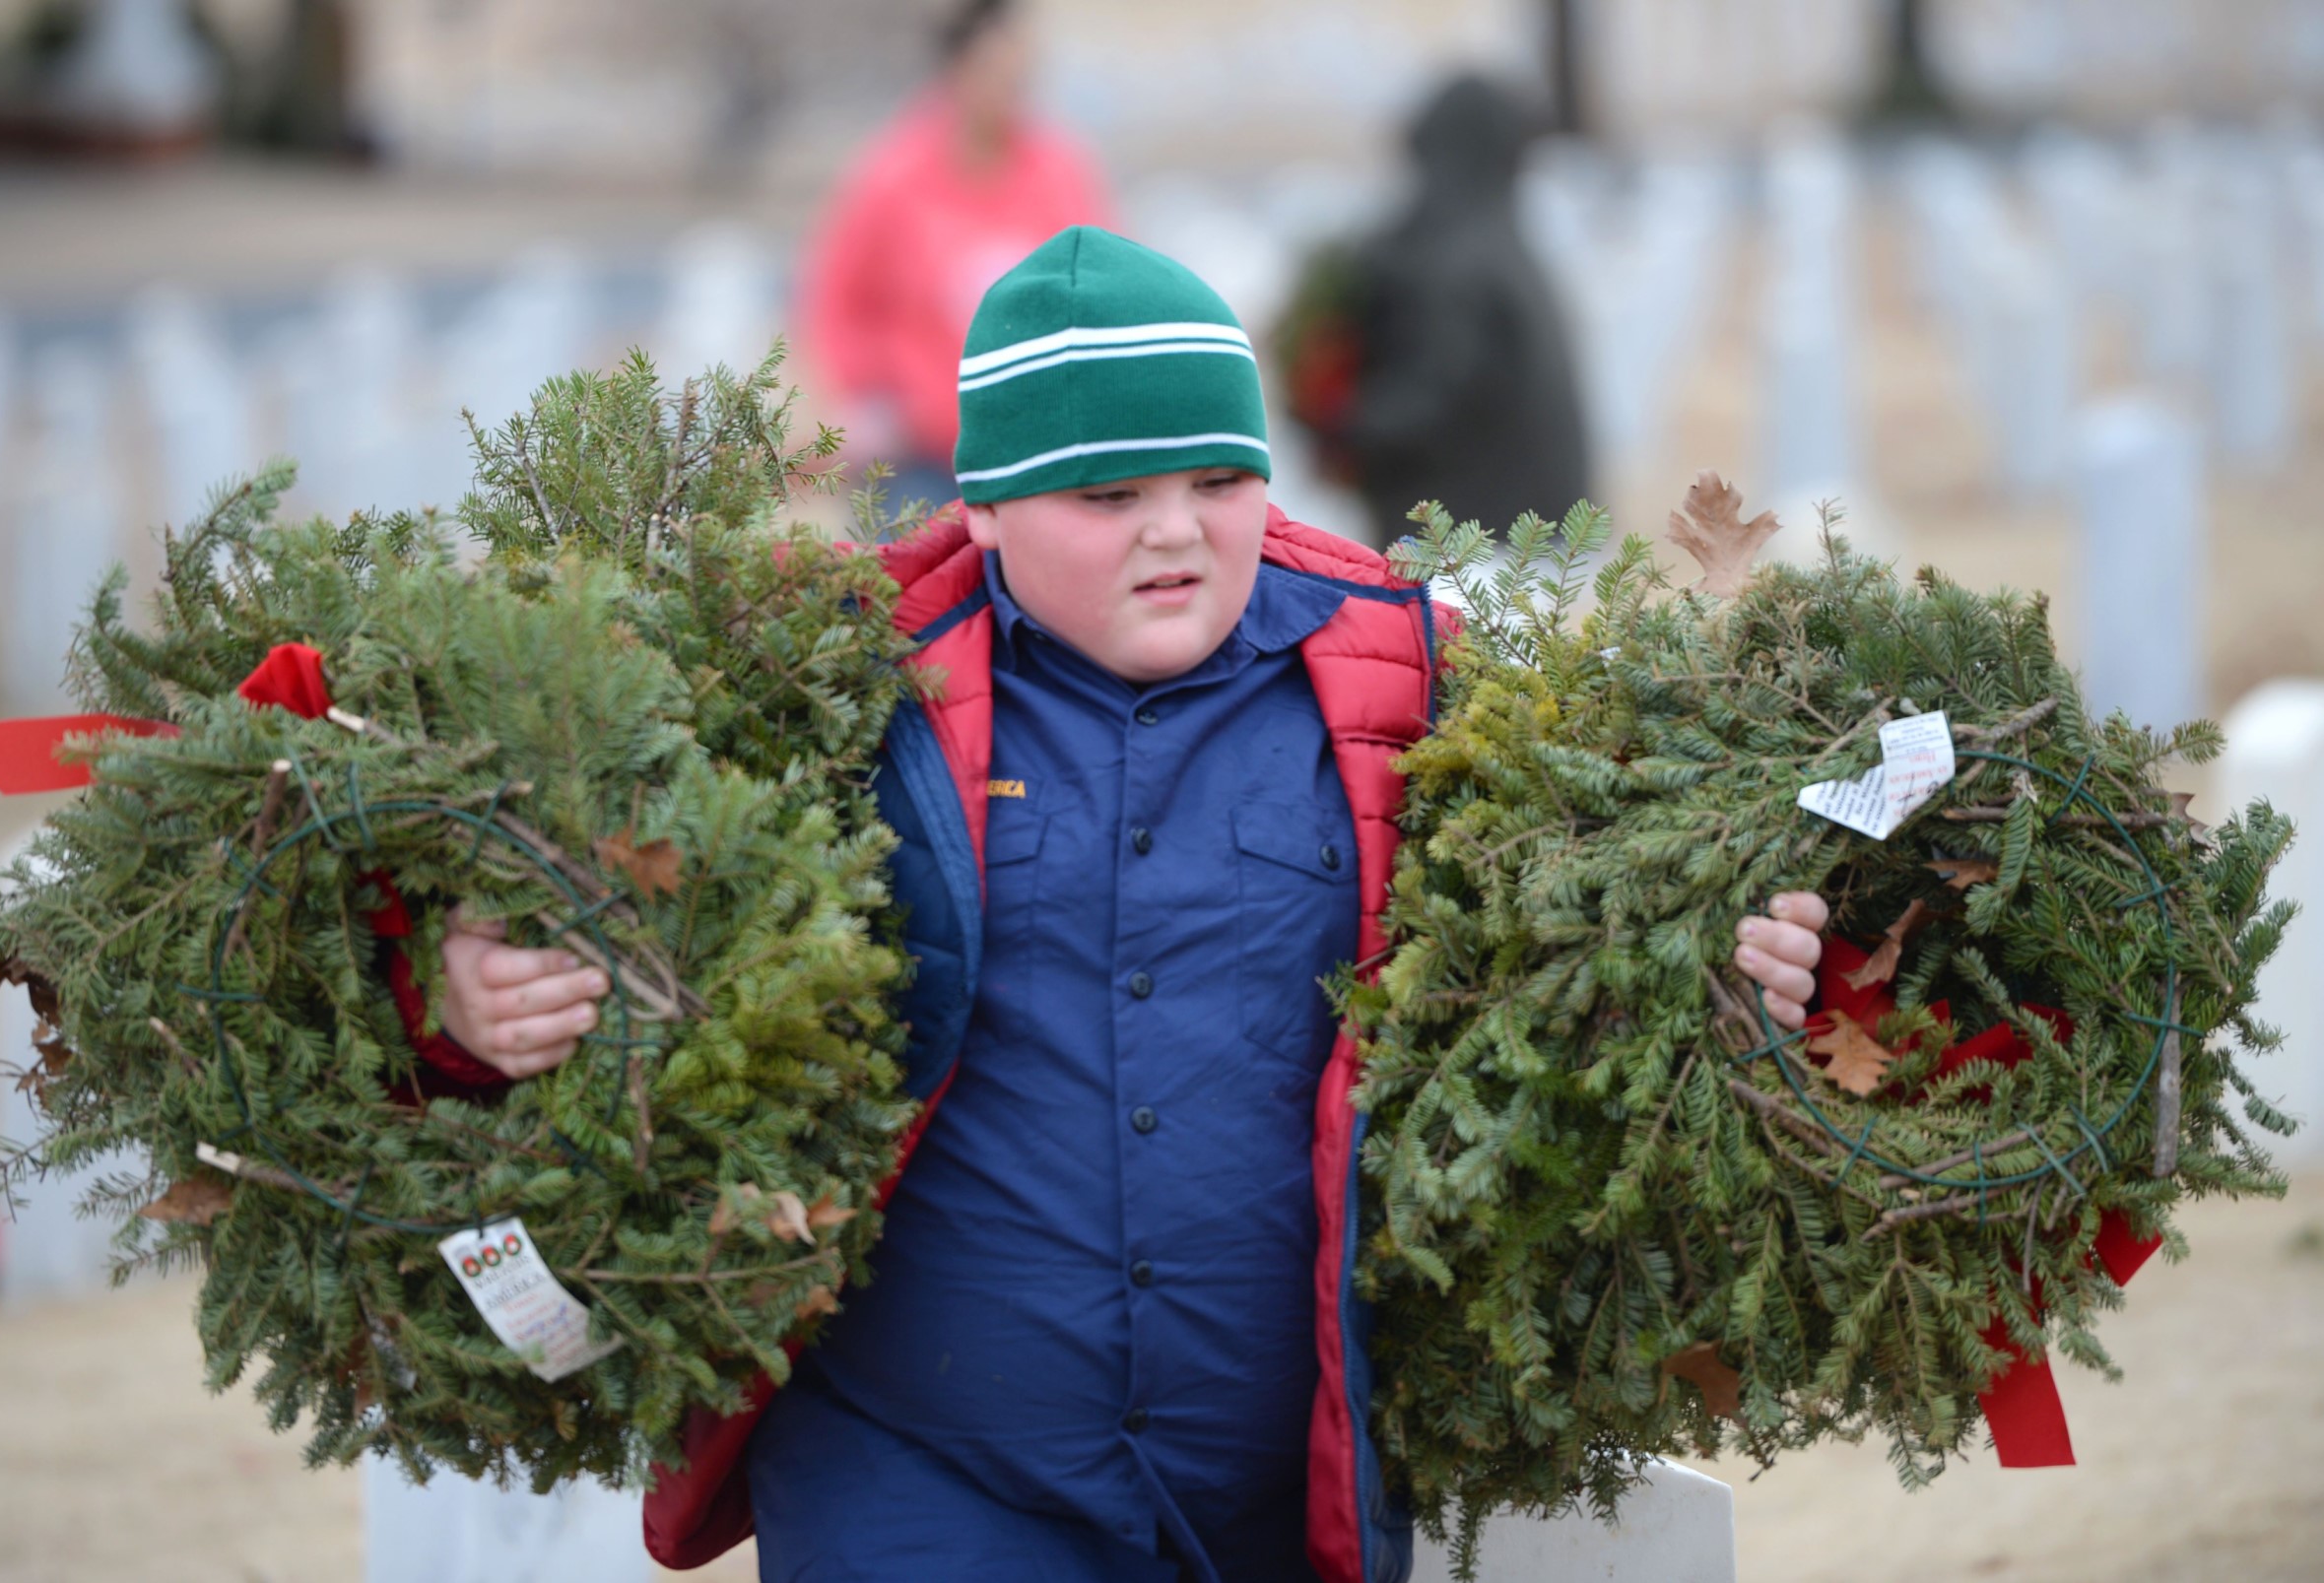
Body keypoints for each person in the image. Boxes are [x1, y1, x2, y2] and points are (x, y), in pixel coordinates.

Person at [420, 228, 1827, 1583]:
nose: (1175, 533)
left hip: (1279, 1483)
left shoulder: (1408, 683)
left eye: (1218, 479)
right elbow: (544, 881)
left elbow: (1597, 936)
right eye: (1107, 496)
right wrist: (467, 988)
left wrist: (1727, 965)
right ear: (977, 502)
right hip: (921, 1468)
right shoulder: (828, 693)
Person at [795, 0, 1112, 515]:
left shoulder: (1060, 170)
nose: (1009, 91)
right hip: (921, 456)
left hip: (1037, 448)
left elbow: (1103, 285)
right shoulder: (891, 176)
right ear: (957, 72)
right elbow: (836, 300)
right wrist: (868, 399)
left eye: (1021, 76)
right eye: (996, 73)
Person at [1343, 72, 1590, 551]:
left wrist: (1342, 425)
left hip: (1475, 551)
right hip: (1542, 533)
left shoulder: (1452, 265)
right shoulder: (1499, 245)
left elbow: (1427, 402)